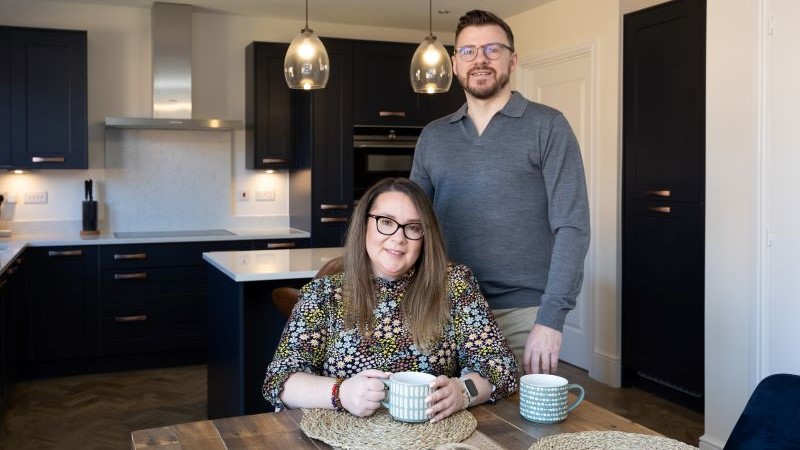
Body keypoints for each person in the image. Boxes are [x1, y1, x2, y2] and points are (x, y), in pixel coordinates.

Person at [410, 10, 590, 376]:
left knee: (519, 432)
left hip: (523, 316)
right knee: (439, 424)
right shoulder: (434, 135)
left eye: (493, 49)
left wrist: (551, 320)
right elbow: (411, 224)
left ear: (513, 59)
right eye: (468, 51)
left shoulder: (548, 126)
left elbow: (572, 226)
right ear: (455, 64)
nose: (480, 59)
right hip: (445, 309)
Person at [262, 177, 517, 423]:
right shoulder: (323, 294)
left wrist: (463, 392)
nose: (399, 238)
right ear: (364, 224)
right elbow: (280, 381)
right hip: (343, 437)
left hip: (432, 438)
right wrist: (341, 393)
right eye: (386, 222)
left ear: (425, 237)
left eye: (413, 227)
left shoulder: (454, 285)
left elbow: (501, 367)